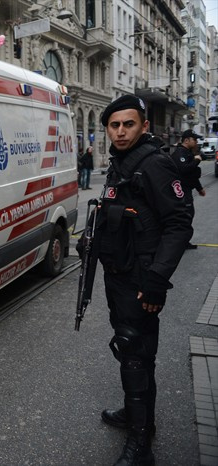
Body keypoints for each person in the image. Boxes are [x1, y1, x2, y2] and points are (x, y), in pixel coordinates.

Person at [92, 95, 192, 465]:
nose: (120, 131)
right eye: (114, 125)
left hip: (141, 280)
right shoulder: (121, 164)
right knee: (128, 349)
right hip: (119, 275)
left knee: (136, 355)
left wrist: (156, 281)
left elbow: (179, 224)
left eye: (128, 124)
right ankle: (134, 414)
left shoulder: (155, 165)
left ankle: (141, 444)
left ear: (144, 126)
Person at [170, 129, 206, 249]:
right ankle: (180, 242)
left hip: (187, 190)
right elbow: (185, 170)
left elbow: (192, 175)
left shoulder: (187, 153)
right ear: (186, 140)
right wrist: (196, 160)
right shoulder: (180, 153)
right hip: (181, 191)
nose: (196, 142)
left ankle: (184, 241)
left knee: (188, 215)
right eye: (194, 140)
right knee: (185, 216)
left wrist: (199, 188)